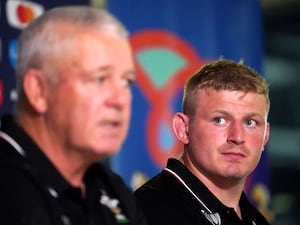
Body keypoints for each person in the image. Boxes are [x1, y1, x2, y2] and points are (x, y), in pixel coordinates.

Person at [0, 5, 147, 225]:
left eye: (126, 81)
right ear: (39, 90)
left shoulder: (112, 189)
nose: (120, 99)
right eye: (100, 79)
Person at [135, 59, 271, 225]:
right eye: (220, 120)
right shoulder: (147, 213)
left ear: (265, 136)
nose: (237, 137)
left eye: (250, 122)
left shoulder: (257, 220)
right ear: (183, 129)